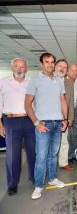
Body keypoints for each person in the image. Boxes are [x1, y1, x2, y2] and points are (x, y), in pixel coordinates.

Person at [25, 53, 68, 199]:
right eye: (47, 62)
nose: (50, 65)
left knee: (53, 154)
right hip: (43, 124)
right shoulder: (35, 80)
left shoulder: (59, 80)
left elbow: (62, 100)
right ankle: (38, 185)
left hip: (58, 123)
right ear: (41, 64)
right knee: (41, 156)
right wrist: (37, 123)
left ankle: (52, 178)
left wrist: (65, 119)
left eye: (52, 62)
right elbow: (27, 104)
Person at [0, 58, 35, 196]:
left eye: (22, 67)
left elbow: (36, 102)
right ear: (12, 68)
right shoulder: (3, 82)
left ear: (26, 68)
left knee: (33, 152)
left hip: (29, 120)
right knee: (13, 155)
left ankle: (34, 178)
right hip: (11, 121)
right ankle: (12, 184)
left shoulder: (31, 82)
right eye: (17, 66)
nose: (19, 69)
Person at [54, 59, 74, 171]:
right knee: (49, 143)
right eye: (60, 66)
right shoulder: (48, 80)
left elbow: (70, 102)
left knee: (64, 141)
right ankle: (49, 165)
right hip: (49, 117)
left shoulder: (69, 84)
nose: (62, 68)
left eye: (65, 67)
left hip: (63, 118)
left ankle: (63, 162)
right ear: (55, 67)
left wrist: (69, 118)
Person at [66, 64, 77, 162]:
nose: (74, 72)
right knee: (67, 135)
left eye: (76, 70)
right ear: (67, 72)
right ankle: (67, 156)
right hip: (66, 111)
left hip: (76, 110)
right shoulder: (63, 83)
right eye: (72, 70)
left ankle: (75, 154)